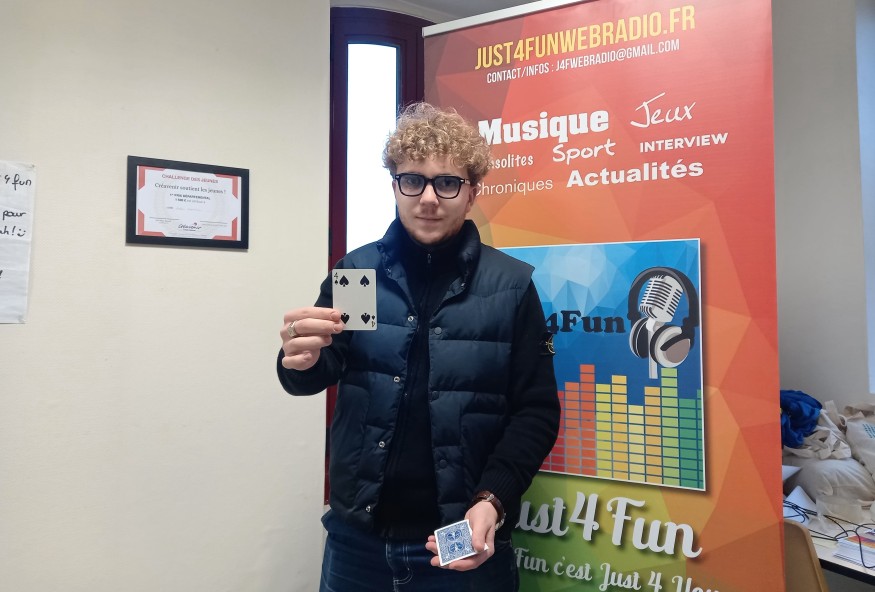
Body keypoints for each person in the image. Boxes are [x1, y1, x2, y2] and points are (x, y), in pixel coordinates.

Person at [277, 102, 560, 592]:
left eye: (447, 182)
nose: (428, 198)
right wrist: (298, 362)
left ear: (471, 193)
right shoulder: (359, 274)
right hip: (357, 539)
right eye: (413, 180)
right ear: (395, 186)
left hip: (459, 536)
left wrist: (493, 499)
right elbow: (322, 368)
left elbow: (535, 412)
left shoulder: (510, 287)